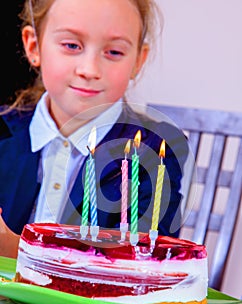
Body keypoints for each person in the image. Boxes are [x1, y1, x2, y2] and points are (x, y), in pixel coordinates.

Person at [0, 0, 188, 258]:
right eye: (71, 45)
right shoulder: (4, 132)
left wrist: (16, 250)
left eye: (113, 52)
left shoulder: (154, 152)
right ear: (34, 46)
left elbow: (144, 263)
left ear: (138, 61)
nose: (89, 70)